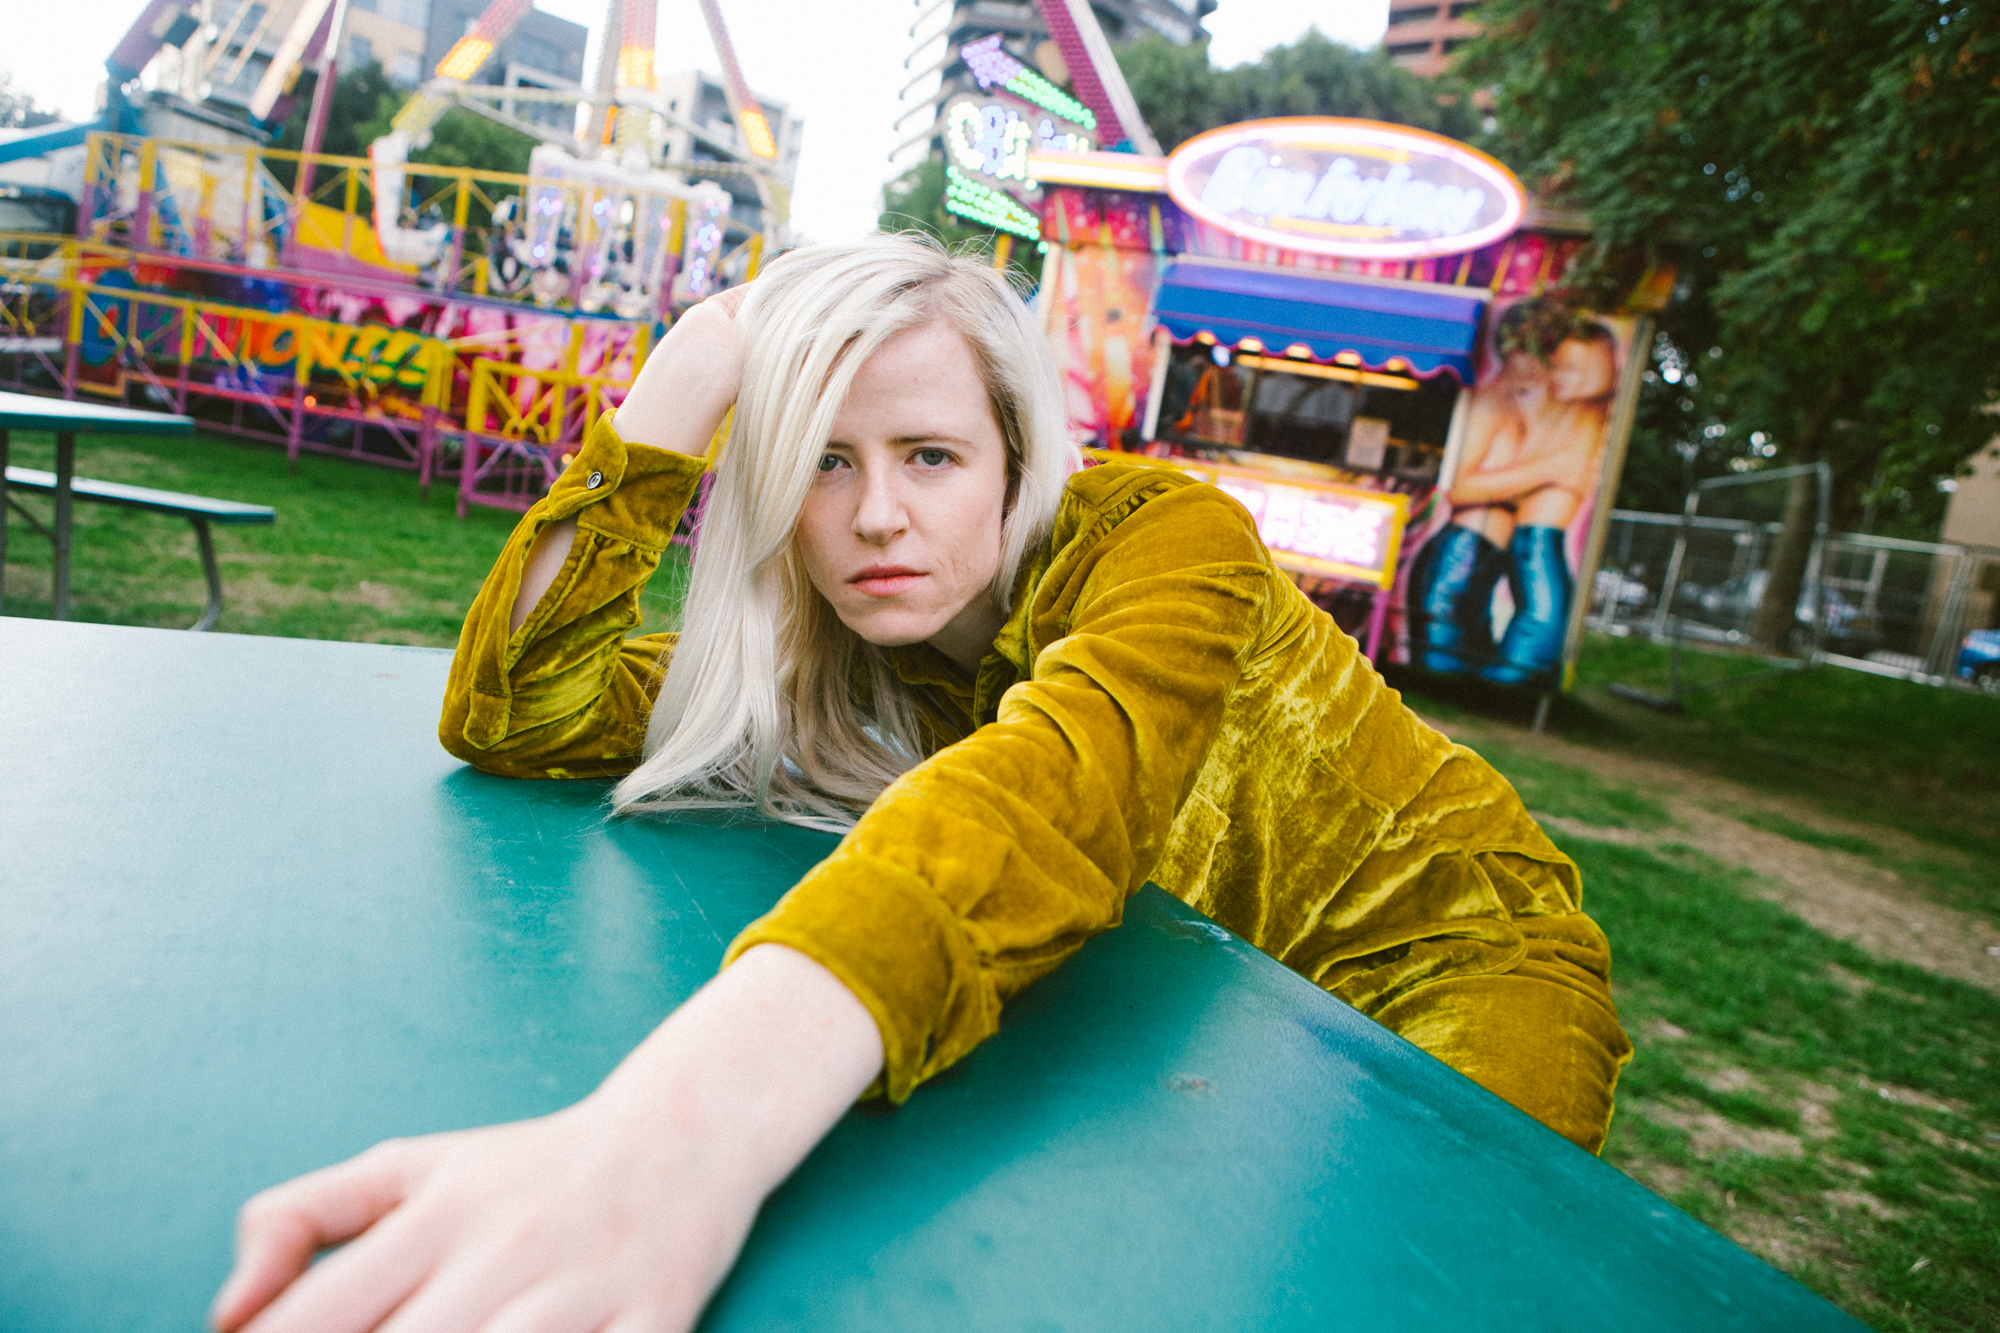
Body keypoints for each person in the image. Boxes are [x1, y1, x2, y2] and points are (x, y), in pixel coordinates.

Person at [210, 236, 1631, 1333]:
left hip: (1448, 964)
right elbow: (521, 706)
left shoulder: (1161, 539)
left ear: (1015, 461)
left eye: (932, 457)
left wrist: (688, 1127)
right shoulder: (838, 650)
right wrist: (675, 398)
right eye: (826, 462)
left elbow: (1060, 787)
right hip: (1201, 1000)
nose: (878, 514)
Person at [1406, 300, 1618, 684]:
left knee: (1493, 668)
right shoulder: (1494, 400)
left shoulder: (1553, 410)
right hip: (1451, 577)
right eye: (1547, 357)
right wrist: (1549, 469)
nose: (1549, 372)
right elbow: (1461, 488)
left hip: (1474, 580)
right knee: (1456, 673)